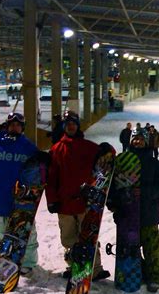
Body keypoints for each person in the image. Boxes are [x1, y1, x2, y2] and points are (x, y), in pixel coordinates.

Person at [45, 110, 113, 281]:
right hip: (65, 203)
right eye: (68, 124)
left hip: (85, 202)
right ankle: (72, 265)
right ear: (63, 127)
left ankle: (95, 268)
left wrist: (106, 149)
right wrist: (52, 200)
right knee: (69, 238)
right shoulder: (56, 149)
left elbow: (107, 158)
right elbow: (51, 178)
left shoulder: (88, 146)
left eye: (74, 124)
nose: (71, 127)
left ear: (77, 126)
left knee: (88, 236)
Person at [108, 130, 159, 293]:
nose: (137, 142)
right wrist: (113, 204)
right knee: (130, 248)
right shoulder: (121, 162)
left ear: (146, 141)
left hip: (148, 214)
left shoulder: (154, 163)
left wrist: (144, 192)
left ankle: (154, 277)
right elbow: (113, 186)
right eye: (135, 139)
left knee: (151, 248)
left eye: (141, 139)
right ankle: (136, 272)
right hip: (127, 214)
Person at [0, 113, 39, 275]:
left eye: (18, 125)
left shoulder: (28, 147)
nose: (15, 128)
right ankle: (3, 258)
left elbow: (37, 169)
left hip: (22, 199)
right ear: (7, 126)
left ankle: (27, 262)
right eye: (12, 125)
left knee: (26, 231)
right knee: (1, 231)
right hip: (2, 198)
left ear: (22, 128)